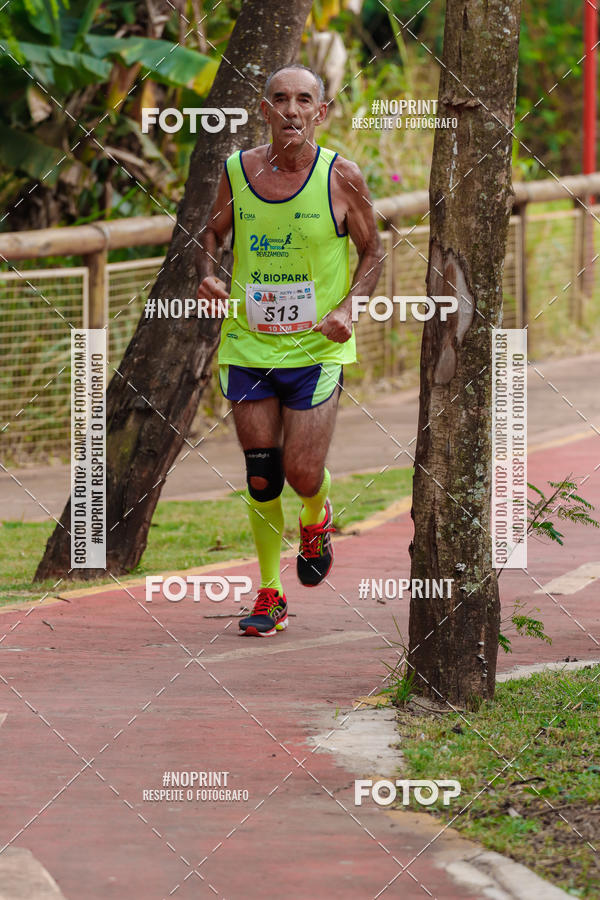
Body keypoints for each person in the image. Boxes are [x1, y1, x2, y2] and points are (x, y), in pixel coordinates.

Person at [196, 64, 383, 636]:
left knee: (302, 473)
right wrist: (208, 275)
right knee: (261, 475)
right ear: (264, 109)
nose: (292, 111)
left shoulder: (340, 177)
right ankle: (269, 592)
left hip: (315, 353)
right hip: (249, 345)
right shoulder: (237, 171)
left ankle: (316, 515)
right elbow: (212, 235)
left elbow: (373, 252)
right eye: (280, 100)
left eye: (304, 100)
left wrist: (348, 309)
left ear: (320, 113)